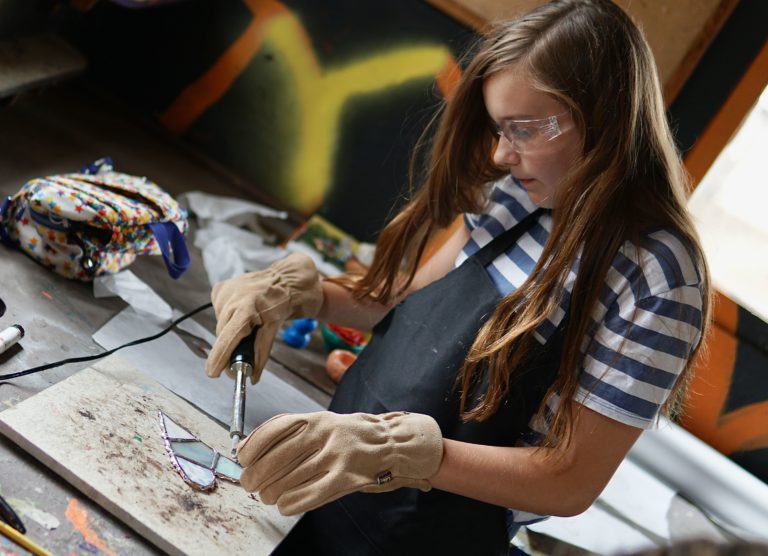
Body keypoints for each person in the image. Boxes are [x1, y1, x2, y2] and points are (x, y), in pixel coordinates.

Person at [204, 0, 712, 553]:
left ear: (604, 118)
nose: (500, 153)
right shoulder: (520, 195)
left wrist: (395, 450)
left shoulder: (659, 277)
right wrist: (299, 295)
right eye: (499, 128)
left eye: (522, 130)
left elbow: (569, 479)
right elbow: (408, 301)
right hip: (333, 491)